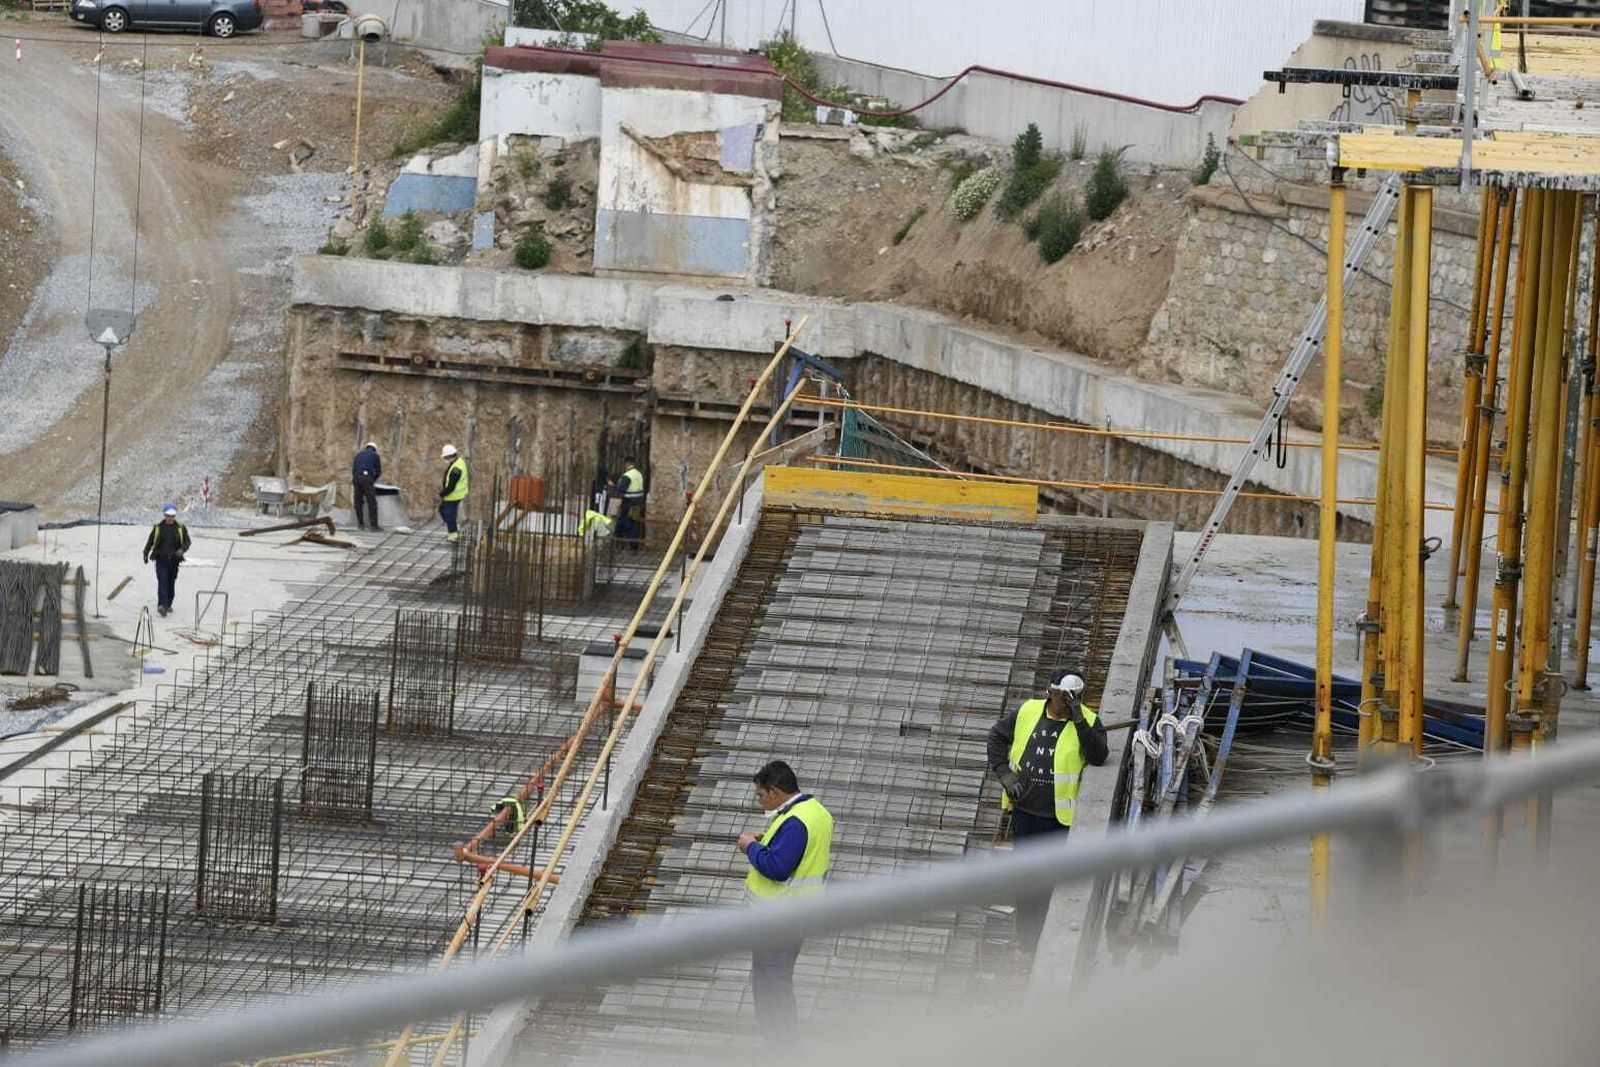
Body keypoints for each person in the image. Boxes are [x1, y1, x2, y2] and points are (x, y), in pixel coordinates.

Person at [986, 668, 1108, 953]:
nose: (1067, 703)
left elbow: (1098, 756)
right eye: (1063, 698)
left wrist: (1078, 719)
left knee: (1050, 880)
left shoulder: (1088, 721)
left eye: (1074, 698)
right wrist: (1005, 775)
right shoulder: (1028, 710)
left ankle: (1045, 938)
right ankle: (1028, 941)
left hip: (1058, 820)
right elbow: (995, 738)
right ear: (1050, 693)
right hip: (1025, 813)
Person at [737, 760, 834, 1045]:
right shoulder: (814, 812)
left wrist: (750, 846)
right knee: (777, 984)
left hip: (778, 919)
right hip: (795, 915)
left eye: (761, 795)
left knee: (770, 988)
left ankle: (781, 1049)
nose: (759, 801)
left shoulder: (794, 823)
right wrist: (768, 839)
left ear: (776, 791)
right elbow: (802, 855)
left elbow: (778, 868)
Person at [141, 504, 192, 618]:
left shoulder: (180, 528)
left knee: (171, 583)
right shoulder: (158, 528)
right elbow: (150, 542)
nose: (170, 518)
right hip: (161, 559)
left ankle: (168, 604)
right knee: (162, 581)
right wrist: (145, 553)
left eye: (172, 516)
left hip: (174, 560)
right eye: (168, 515)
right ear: (164, 515)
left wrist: (182, 550)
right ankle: (162, 606)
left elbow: (187, 542)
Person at [612, 456, 646, 550]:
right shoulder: (639, 474)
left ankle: (618, 542)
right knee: (634, 523)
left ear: (627, 464)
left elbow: (621, 489)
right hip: (638, 502)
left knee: (625, 522)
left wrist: (614, 485)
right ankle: (633, 545)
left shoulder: (627, 475)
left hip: (628, 502)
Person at [437, 444, 469, 542]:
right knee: (442, 509)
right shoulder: (458, 462)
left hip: (453, 495)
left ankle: (453, 535)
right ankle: (453, 527)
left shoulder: (456, 469)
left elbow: (451, 487)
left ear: (450, 456)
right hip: (454, 494)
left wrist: (442, 494)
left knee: (449, 514)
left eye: (446, 457)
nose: (445, 459)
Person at [351, 441, 382, 532]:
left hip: (356, 478)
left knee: (358, 502)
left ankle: (361, 524)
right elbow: (378, 471)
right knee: (371, 502)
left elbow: (354, 470)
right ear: (374, 449)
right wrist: (373, 480)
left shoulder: (358, 455)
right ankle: (374, 526)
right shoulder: (375, 456)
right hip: (367, 478)